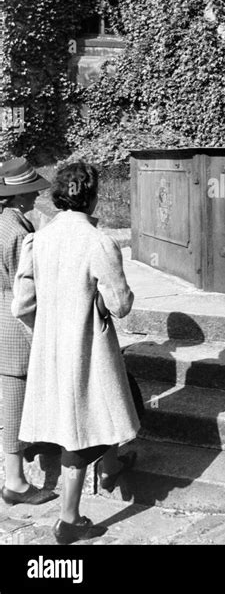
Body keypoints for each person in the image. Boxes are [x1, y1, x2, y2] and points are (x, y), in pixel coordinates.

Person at [12, 161, 140, 544]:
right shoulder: (98, 241)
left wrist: (50, 327)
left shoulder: (40, 238)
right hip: (87, 346)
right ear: (94, 196)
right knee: (83, 424)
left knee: (98, 409)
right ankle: (68, 519)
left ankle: (111, 465)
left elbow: (22, 304)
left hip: (51, 347)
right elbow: (119, 304)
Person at [0, 157, 56, 506]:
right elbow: (26, 290)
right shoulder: (19, 233)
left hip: (0, 317)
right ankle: (15, 481)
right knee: (16, 399)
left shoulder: (4, 223)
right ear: (18, 197)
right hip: (14, 323)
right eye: (31, 192)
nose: (35, 198)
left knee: (11, 395)